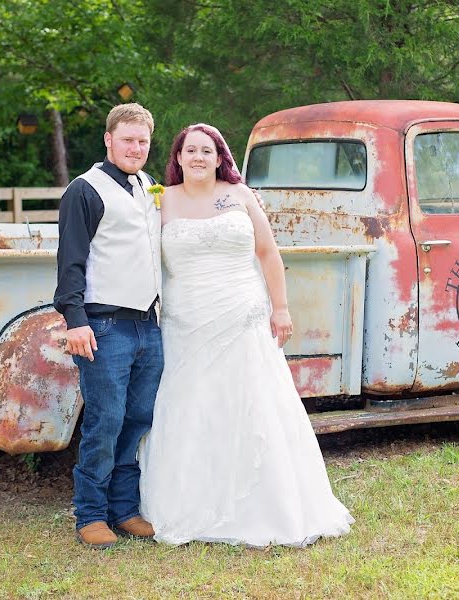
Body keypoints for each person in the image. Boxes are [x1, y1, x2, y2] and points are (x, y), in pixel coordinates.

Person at [139, 124, 354, 547]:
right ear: (178, 158)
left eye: (206, 150)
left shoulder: (241, 195)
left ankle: (267, 505)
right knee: (193, 406)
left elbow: (267, 252)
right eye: (190, 150)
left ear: (220, 157)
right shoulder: (160, 201)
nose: (198, 157)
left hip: (242, 316)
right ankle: (189, 502)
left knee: (253, 403)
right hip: (187, 323)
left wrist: (282, 307)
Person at [54, 103, 163, 548]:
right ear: (108, 140)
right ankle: (91, 514)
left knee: (138, 419)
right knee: (105, 420)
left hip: (148, 326)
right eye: (128, 140)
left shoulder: (149, 186)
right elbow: (70, 264)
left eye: (142, 141)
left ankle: (125, 509)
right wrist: (75, 321)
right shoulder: (85, 190)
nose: (136, 148)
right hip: (104, 326)